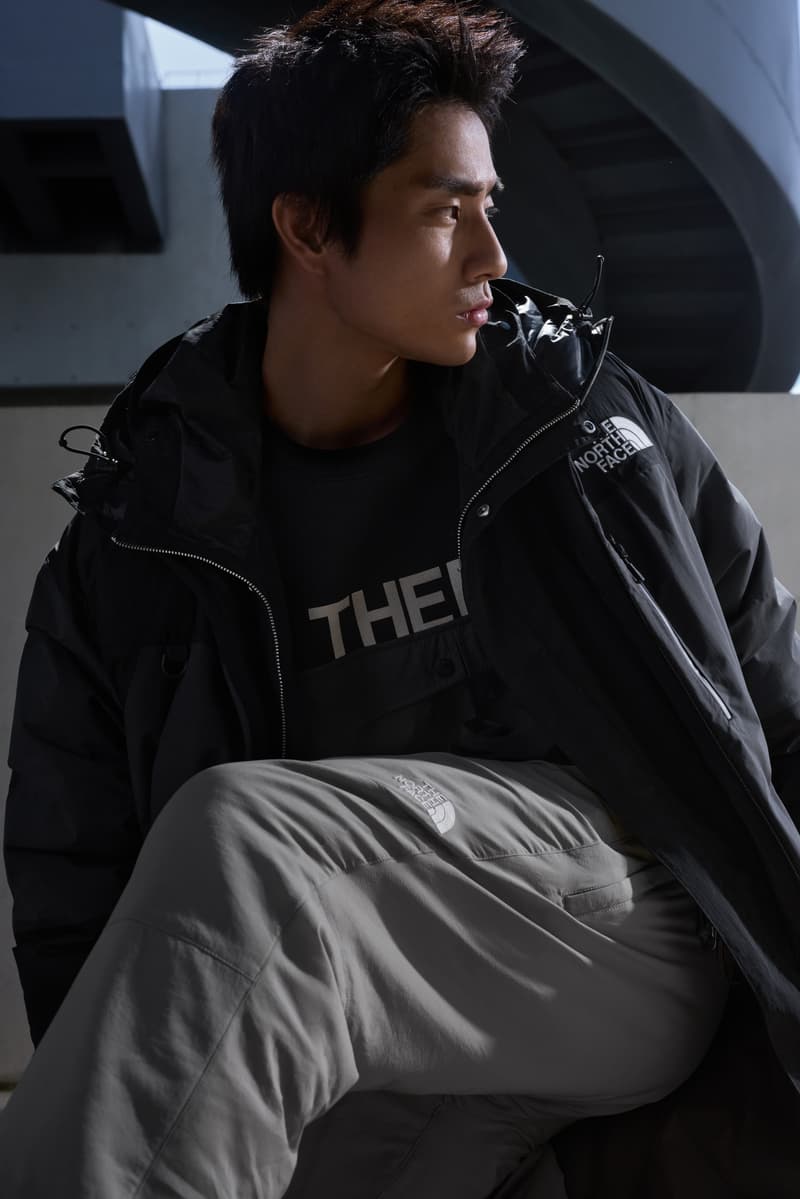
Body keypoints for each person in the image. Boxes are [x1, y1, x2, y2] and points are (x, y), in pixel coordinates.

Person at [2, 0, 800, 1195]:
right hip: (367, 1004)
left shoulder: (578, 421)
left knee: (253, 841)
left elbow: (771, 696)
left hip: (626, 929)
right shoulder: (135, 530)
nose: (492, 255)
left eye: (489, 205)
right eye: (444, 211)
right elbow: (76, 876)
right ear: (307, 228)